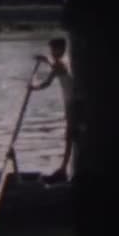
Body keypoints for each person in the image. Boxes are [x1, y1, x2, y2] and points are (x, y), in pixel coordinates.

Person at [29, 37, 74, 182]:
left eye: (53, 49)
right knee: (70, 137)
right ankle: (64, 169)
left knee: (70, 136)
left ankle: (63, 170)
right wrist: (34, 87)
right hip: (69, 105)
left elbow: (59, 67)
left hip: (74, 105)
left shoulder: (64, 62)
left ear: (61, 49)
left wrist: (46, 60)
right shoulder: (58, 64)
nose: (52, 52)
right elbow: (47, 82)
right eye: (51, 50)